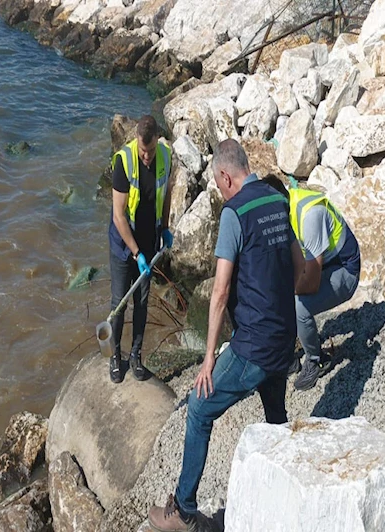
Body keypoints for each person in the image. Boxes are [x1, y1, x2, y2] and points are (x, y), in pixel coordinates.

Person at [147, 140, 305, 531]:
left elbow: (219, 293)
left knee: (199, 409)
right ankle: (284, 493)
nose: (221, 193)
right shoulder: (277, 199)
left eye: (219, 187)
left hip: (253, 345)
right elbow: (299, 266)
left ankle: (184, 512)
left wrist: (208, 360)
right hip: (284, 337)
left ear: (225, 176)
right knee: (276, 416)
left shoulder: (235, 213)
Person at [263, 175, 361, 392]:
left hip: (344, 269)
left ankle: (317, 359)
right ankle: (287, 356)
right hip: (322, 265)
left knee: (298, 306)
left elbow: (313, 283)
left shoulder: (309, 216)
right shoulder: (283, 212)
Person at [108, 115, 173, 384]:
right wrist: (136, 253)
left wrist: (165, 228)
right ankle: (115, 356)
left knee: (142, 302)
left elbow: (166, 194)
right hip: (124, 245)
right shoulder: (124, 162)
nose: (147, 156)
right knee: (120, 302)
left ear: (157, 139)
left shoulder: (165, 156)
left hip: (149, 240)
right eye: (143, 151)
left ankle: (136, 355)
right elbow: (118, 216)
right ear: (137, 140)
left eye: (151, 150)